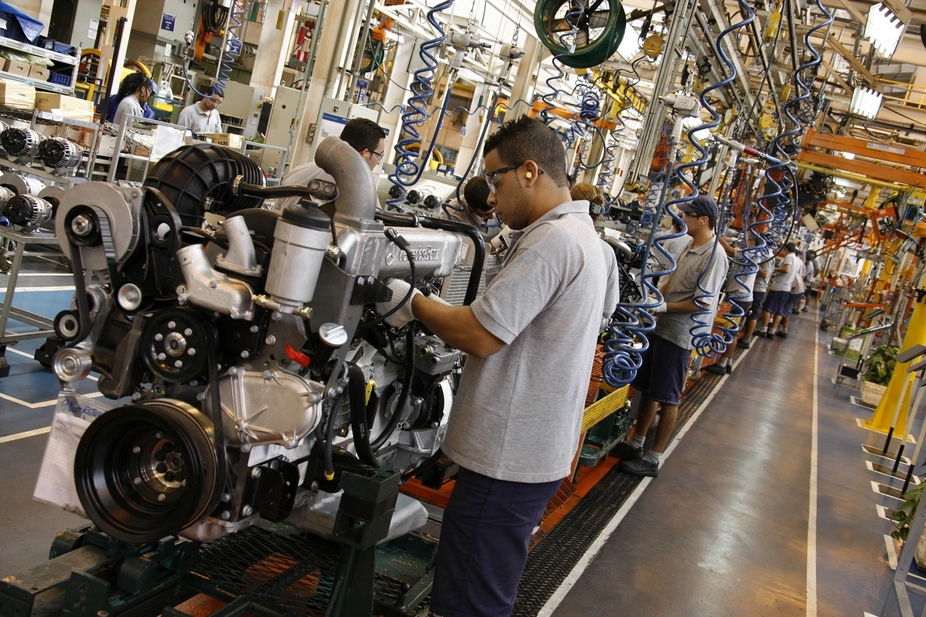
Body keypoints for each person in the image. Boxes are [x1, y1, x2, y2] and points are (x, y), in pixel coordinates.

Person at [376, 115, 606, 617]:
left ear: (529, 171)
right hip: (531, 451)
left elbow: (481, 335)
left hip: (508, 460)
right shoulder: (588, 240)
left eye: (495, 181)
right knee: (482, 592)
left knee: (468, 604)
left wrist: (408, 301)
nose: (492, 198)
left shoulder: (555, 242)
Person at [611, 195, 729, 477]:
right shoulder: (690, 245)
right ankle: (637, 443)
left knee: (669, 396)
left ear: (703, 220)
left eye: (688, 216)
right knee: (649, 388)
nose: (683, 220)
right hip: (660, 327)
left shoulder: (715, 256)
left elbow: (703, 303)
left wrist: (665, 306)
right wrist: (652, 299)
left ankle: (653, 458)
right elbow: (672, 281)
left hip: (680, 335)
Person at [276, 117, 386, 211]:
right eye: (379, 155)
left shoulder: (298, 171)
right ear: (365, 153)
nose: (378, 161)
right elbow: (378, 223)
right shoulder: (360, 187)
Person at [705, 236, 757, 375]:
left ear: (752, 242)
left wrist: (715, 233)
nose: (742, 244)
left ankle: (722, 364)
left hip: (739, 298)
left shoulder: (749, 254)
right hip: (742, 298)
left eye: (745, 241)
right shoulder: (752, 255)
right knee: (732, 331)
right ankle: (728, 361)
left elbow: (728, 249)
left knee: (731, 333)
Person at [755, 242, 798, 339]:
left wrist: (774, 269)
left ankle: (764, 329)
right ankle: (772, 331)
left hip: (779, 287)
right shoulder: (796, 259)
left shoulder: (789, 257)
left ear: (785, 249)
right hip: (786, 288)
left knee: (767, 308)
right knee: (779, 311)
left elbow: (786, 269)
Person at [442, 176, 502, 241]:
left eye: (495, 210)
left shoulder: (498, 197)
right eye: (485, 215)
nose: (493, 216)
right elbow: (466, 248)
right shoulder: (453, 215)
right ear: (470, 208)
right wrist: (495, 242)